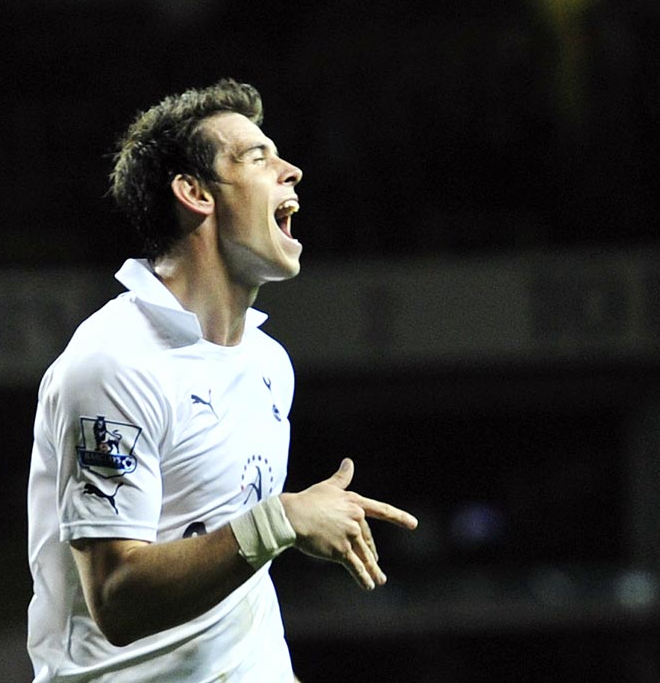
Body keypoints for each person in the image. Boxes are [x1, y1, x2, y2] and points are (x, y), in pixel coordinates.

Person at [27, 79, 417, 682]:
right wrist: (280, 522)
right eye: (258, 158)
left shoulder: (268, 364)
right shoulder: (113, 365)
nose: (291, 171)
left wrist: (283, 530)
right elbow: (117, 599)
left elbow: (230, 544)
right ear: (194, 193)